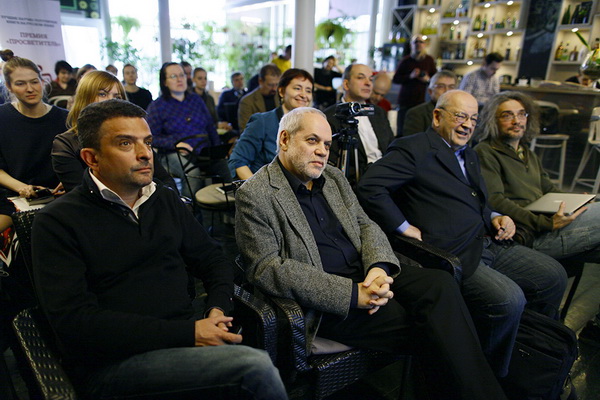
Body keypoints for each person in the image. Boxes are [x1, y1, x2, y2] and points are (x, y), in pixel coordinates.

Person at [235, 106, 507, 400]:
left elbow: (366, 225)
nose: (323, 151)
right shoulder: (256, 193)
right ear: (285, 139)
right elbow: (266, 268)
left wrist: (379, 266)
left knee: (440, 284)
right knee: (434, 327)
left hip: (366, 271)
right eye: (312, 140)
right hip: (327, 296)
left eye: (327, 144)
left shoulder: (333, 177)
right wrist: (353, 294)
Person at [32, 99, 287, 399]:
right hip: (113, 363)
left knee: (257, 356)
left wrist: (216, 309)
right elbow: (76, 323)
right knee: (254, 367)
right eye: (126, 143)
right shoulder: (57, 221)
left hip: (183, 341)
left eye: (148, 142)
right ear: (91, 158)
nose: (145, 154)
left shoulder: (163, 200)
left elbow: (213, 260)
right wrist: (190, 333)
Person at [356, 90, 567, 377]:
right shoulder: (414, 148)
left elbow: (476, 200)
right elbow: (370, 187)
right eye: (460, 116)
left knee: (553, 276)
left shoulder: (470, 152)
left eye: (473, 119)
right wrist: (403, 226)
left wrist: (495, 216)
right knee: (508, 300)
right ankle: (487, 377)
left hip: (488, 241)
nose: (467, 125)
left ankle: (530, 354)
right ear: (437, 116)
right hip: (452, 253)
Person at [473, 90, 600, 343]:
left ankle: (549, 339)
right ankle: (546, 339)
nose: (517, 121)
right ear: (493, 121)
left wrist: (576, 201)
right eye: (507, 115)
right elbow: (496, 201)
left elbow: (550, 190)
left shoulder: (526, 153)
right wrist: (546, 222)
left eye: (521, 114)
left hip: (549, 224)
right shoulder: (485, 152)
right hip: (531, 233)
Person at [52, 70, 176, 193]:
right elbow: (84, 195)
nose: (112, 101)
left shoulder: (135, 137)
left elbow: (166, 182)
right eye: (102, 94)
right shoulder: (66, 144)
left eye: (117, 97)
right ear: (85, 98)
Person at [147, 62, 230, 198]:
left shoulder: (196, 100)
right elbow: (151, 138)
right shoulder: (157, 106)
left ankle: (226, 206)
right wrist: (175, 143)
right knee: (192, 173)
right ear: (165, 82)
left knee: (225, 166)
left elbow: (210, 127)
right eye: (173, 76)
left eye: (182, 75)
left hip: (202, 151)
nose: (179, 79)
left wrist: (219, 150)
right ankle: (188, 209)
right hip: (172, 153)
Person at [228, 68, 313, 180]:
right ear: (281, 91)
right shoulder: (262, 121)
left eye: (308, 90)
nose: (303, 95)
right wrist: (257, 188)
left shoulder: (310, 126)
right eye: (297, 88)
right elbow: (237, 161)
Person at [0, 57, 66, 198]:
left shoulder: (65, 118)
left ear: (42, 82)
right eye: (20, 84)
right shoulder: (2, 117)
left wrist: (71, 181)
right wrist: (22, 187)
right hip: (13, 197)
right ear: (9, 86)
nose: (30, 89)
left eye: (34, 82)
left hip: (60, 196)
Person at [324, 63, 394, 184]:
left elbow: (391, 147)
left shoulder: (378, 112)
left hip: (387, 176)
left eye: (370, 79)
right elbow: (332, 165)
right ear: (346, 84)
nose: (368, 83)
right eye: (361, 78)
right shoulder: (330, 116)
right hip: (356, 182)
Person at [393, 34, 437, 136]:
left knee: (419, 131)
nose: (418, 44)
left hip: (422, 101)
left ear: (425, 45)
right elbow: (396, 79)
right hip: (405, 102)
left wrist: (427, 79)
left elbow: (436, 79)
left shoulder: (429, 60)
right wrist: (410, 76)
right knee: (402, 131)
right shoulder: (405, 60)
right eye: (415, 42)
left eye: (421, 42)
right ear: (411, 45)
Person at [403, 69, 457, 136]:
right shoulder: (416, 114)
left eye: (451, 87)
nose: (447, 91)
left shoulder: (461, 113)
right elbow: (413, 141)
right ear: (430, 91)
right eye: (441, 86)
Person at [238, 64, 281, 132]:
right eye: (270, 85)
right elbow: (246, 131)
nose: (274, 89)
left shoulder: (281, 97)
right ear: (260, 81)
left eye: (277, 84)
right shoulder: (247, 102)